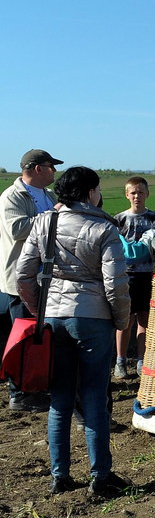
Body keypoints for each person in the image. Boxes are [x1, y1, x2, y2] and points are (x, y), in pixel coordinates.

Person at [16, 166, 132, 497]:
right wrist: (120, 321)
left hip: (53, 317)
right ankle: (101, 477)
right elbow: (115, 284)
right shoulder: (105, 228)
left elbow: (23, 276)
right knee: (95, 397)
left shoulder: (43, 222)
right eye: (96, 189)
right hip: (94, 319)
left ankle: (60, 476)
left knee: (61, 398)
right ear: (89, 192)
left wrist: (41, 312)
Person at [0, 149, 60, 412]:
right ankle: (18, 393)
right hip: (20, 280)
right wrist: (51, 217)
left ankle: (37, 384)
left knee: (41, 336)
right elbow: (17, 229)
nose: (54, 171)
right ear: (37, 169)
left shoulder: (48, 195)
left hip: (45, 278)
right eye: (50, 166)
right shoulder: (11, 197)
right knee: (22, 336)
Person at [114, 176, 155, 378]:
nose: (137, 196)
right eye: (133, 192)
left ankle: (142, 360)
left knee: (145, 320)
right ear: (126, 195)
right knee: (125, 321)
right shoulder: (119, 219)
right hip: (127, 275)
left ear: (147, 194)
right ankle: (120, 361)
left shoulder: (154, 218)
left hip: (149, 275)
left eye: (141, 192)